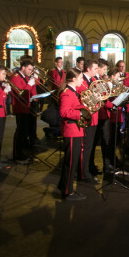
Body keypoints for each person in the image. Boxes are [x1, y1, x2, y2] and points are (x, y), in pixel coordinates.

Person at [58, 68, 87, 201]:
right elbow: (64, 112)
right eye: (81, 78)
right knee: (70, 162)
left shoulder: (74, 92)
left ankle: (65, 186)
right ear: (74, 79)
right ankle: (67, 191)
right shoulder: (67, 93)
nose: (82, 80)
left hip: (76, 130)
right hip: (71, 131)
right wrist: (80, 114)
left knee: (72, 161)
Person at [77, 59, 100, 182]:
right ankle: (83, 173)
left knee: (90, 146)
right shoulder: (81, 82)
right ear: (88, 69)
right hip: (87, 117)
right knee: (85, 146)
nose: (97, 71)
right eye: (95, 69)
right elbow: (82, 98)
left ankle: (88, 169)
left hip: (95, 117)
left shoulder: (94, 80)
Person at [11, 59, 36, 162]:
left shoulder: (25, 76)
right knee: (20, 132)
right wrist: (30, 84)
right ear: (23, 68)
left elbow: (30, 92)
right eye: (29, 69)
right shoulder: (16, 78)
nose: (30, 71)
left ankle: (22, 152)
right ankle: (17, 154)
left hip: (26, 107)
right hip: (20, 108)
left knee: (24, 132)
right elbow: (22, 94)